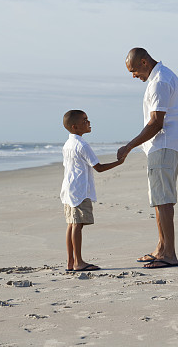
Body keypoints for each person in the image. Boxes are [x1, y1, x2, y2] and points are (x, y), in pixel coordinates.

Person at [117, 48, 178, 269]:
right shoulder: (162, 76)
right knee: (160, 200)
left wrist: (129, 146)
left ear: (144, 62)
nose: (134, 76)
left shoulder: (160, 81)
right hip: (165, 145)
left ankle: (169, 254)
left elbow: (156, 123)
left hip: (163, 144)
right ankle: (161, 248)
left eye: (134, 70)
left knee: (163, 201)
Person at [60, 109, 124, 272]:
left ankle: (70, 261)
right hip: (79, 190)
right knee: (77, 225)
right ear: (74, 127)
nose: (88, 123)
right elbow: (99, 168)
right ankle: (78, 262)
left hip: (69, 189)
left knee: (71, 224)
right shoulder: (82, 145)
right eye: (85, 121)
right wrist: (119, 162)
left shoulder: (68, 143)